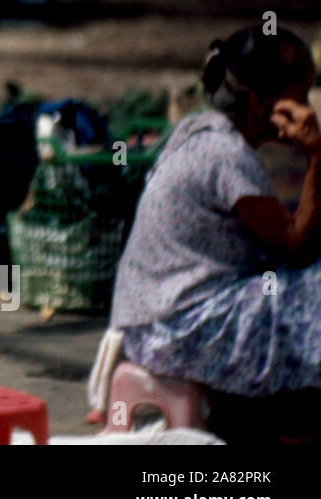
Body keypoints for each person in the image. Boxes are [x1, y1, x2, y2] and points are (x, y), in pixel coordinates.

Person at [110, 26, 321, 397]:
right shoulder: (227, 155)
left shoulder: (201, 130)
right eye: (302, 96)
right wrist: (318, 155)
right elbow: (295, 246)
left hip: (154, 324)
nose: (308, 108)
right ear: (260, 102)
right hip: (177, 331)